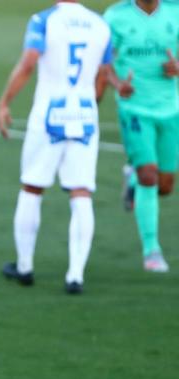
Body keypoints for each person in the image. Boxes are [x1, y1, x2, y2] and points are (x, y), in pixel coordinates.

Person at [0, 1, 115, 294]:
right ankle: (75, 275)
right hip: (86, 113)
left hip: (50, 111)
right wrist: (91, 100)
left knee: (32, 186)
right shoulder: (101, 24)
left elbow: (28, 63)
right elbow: (104, 74)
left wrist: (5, 102)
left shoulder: (43, 20)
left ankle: (24, 266)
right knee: (81, 191)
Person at [104, 0, 179, 273]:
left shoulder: (176, 11)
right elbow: (104, 61)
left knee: (165, 186)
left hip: (170, 110)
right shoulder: (115, 16)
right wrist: (117, 84)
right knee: (150, 174)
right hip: (134, 109)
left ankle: (132, 178)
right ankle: (152, 251)